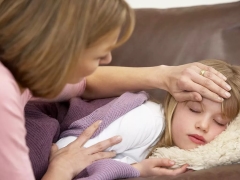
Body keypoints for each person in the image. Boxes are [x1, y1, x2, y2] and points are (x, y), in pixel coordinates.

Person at [0, 0, 231, 179]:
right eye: (99, 55)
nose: (109, 60)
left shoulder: (24, 79)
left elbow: (83, 85)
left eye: (221, 122)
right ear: (62, 47)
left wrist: (164, 75)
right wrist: (61, 169)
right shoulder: (4, 94)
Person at [56, 59, 240, 178]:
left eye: (220, 122)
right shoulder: (148, 119)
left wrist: (136, 168)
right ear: (174, 103)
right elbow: (65, 153)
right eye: (194, 109)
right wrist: (132, 168)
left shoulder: (178, 152)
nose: (203, 126)